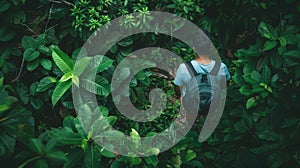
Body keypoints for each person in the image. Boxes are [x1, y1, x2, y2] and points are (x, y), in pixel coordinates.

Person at [173, 29, 230, 125]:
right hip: (213, 103)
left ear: (194, 48)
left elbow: (177, 87)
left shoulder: (184, 68)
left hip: (191, 104)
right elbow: (225, 84)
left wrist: (179, 96)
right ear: (210, 47)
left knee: (187, 96)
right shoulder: (221, 67)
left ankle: (191, 124)